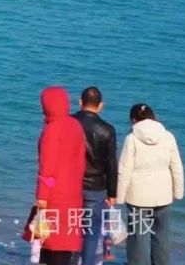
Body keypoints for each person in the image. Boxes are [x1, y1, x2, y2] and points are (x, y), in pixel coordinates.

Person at [116, 104, 184, 265]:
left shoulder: (131, 139)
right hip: (163, 195)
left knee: (138, 237)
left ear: (133, 120)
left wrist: (119, 197)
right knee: (161, 236)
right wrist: (178, 192)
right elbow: (176, 166)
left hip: (138, 197)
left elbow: (124, 170)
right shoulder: (168, 136)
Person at [35, 86, 87, 265]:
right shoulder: (75, 125)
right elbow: (81, 161)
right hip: (73, 192)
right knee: (65, 243)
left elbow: (47, 170)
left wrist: (42, 197)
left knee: (51, 242)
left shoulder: (52, 129)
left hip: (55, 195)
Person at [72, 87, 117, 265]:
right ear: (101, 106)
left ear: (80, 102)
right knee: (91, 233)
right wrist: (112, 192)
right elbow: (111, 163)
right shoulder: (107, 130)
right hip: (96, 187)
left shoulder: (69, 123)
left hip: (71, 185)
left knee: (70, 229)